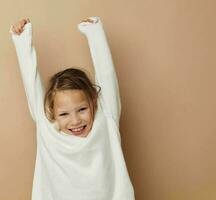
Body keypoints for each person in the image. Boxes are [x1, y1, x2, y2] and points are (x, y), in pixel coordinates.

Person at [10, 16, 135, 200]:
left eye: (82, 109)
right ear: (52, 113)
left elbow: (107, 74)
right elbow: (31, 83)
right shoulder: (47, 129)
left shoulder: (106, 119)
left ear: (93, 102)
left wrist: (95, 33)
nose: (75, 120)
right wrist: (22, 41)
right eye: (64, 114)